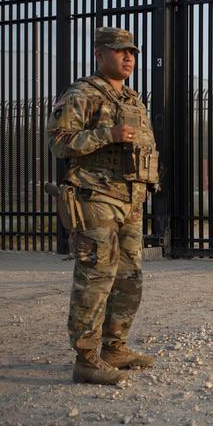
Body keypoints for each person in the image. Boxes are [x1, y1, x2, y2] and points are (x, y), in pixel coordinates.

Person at [46, 27, 159, 385]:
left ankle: (114, 347)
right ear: (99, 54)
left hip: (131, 199)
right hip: (95, 196)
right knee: (96, 276)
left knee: (130, 278)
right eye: (120, 51)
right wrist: (105, 135)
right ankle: (86, 357)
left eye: (132, 52)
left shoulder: (132, 99)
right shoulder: (82, 93)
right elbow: (59, 142)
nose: (128, 57)